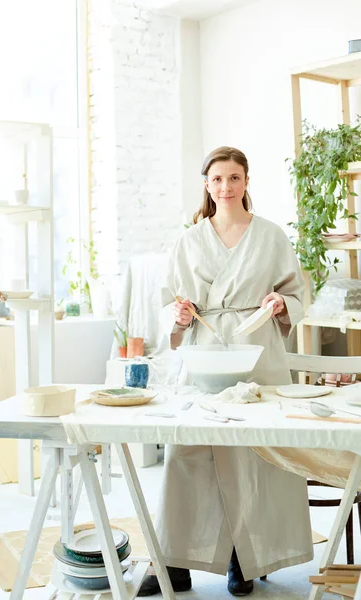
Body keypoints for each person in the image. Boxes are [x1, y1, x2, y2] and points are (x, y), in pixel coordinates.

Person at [138, 147, 313, 597]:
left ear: (247, 181)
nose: (226, 187)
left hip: (258, 351)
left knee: (258, 459)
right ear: (207, 184)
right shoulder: (189, 240)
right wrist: (177, 317)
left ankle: (246, 558)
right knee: (189, 455)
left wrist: (281, 303)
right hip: (204, 353)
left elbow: (296, 292)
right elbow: (167, 304)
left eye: (234, 178)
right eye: (217, 179)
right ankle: (175, 560)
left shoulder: (271, 236)